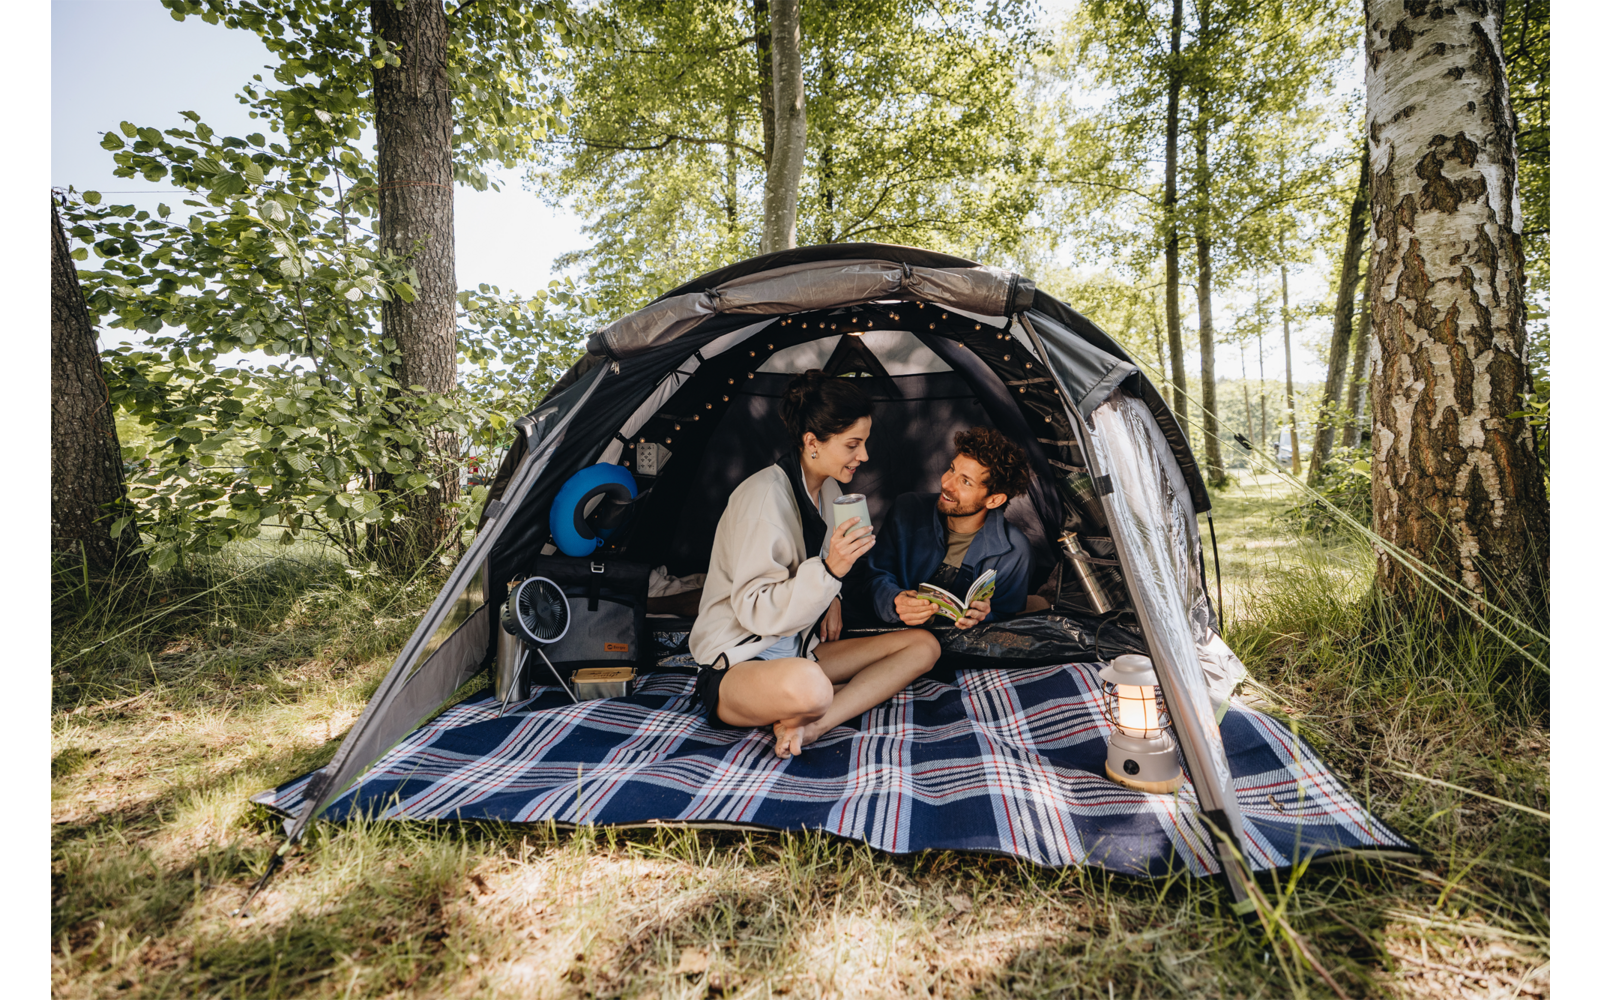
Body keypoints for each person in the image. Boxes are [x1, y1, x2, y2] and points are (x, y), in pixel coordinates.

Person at [689, 370, 942, 758]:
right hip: (739, 661)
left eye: (865, 443)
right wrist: (831, 573)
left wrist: (833, 595)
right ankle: (822, 703)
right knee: (812, 688)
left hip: (799, 649)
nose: (865, 456)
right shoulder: (763, 500)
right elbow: (755, 610)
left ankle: (814, 724)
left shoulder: (828, 489)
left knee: (923, 646)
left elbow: (816, 571)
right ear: (812, 443)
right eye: (853, 445)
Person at [859, 426, 1034, 630]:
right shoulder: (906, 509)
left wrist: (983, 617)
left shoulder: (1015, 551)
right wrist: (894, 601)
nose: (947, 483)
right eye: (952, 469)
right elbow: (874, 577)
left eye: (965, 482)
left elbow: (1005, 620)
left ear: (994, 500)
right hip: (889, 633)